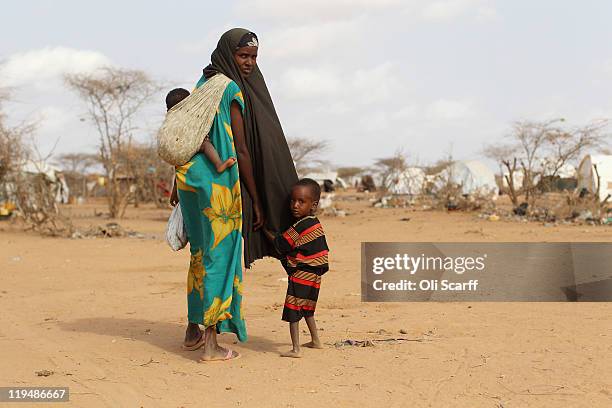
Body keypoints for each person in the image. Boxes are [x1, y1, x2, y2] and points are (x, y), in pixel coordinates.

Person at [174, 29, 298, 361]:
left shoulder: (203, 84)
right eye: (244, 56)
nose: (249, 63)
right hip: (220, 188)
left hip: (192, 183)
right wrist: (256, 199)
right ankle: (212, 347)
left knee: (200, 256)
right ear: (229, 54)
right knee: (220, 258)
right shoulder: (229, 89)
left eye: (254, 57)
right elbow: (241, 149)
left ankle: (192, 330)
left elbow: (189, 133)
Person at [263, 178, 330, 358]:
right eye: (293, 200)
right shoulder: (315, 222)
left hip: (303, 273)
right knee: (307, 308)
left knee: (293, 310)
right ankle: (316, 340)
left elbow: (281, 243)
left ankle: (296, 349)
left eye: (301, 201)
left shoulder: (301, 225)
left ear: (313, 205)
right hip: (316, 274)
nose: (295, 205)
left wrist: (264, 230)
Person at [166, 88, 237, 174]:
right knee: (206, 144)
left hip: (179, 153)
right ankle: (219, 165)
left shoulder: (170, 120)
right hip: (188, 147)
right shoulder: (187, 116)